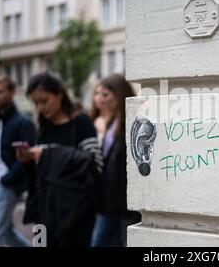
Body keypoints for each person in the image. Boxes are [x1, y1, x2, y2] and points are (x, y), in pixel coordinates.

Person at [17, 72, 103, 247]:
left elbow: (95, 164)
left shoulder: (81, 123)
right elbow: (39, 175)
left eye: (44, 100)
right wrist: (28, 161)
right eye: (35, 103)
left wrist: (47, 155)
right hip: (43, 212)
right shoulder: (42, 128)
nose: (40, 107)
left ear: (59, 95)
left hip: (75, 213)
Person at [0, 77, 35, 247]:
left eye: (0, 92)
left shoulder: (23, 122)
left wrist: (7, 179)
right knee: (6, 234)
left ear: (12, 93)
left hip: (4, 186)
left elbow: (26, 157)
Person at [91, 74, 141, 247]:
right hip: (108, 199)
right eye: (97, 94)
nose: (99, 99)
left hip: (124, 202)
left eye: (105, 94)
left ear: (120, 94)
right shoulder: (111, 122)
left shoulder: (131, 121)